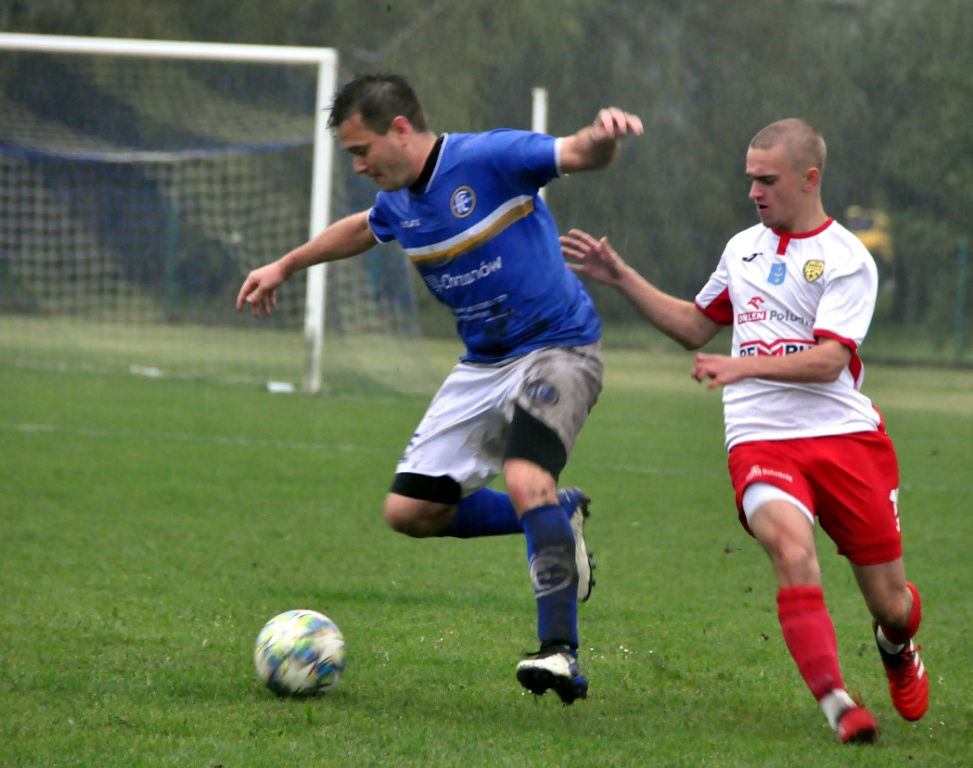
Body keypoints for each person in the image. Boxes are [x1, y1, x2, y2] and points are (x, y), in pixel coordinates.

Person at [237, 73, 644, 703]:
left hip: (558, 348)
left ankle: (559, 651)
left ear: (400, 129)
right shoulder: (398, 198)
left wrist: (604, 137)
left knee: (524, 477)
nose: (358, 165)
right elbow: (363, 227)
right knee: (410, 512)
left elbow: (576, 153)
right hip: (483, 364)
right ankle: (555, 516)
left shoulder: (488, 158)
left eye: (360, 150)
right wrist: (285, 265)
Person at [561, 118, 928, 741]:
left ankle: (895, 647)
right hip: (759, 438)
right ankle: (839, 704)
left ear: (809, 179)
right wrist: (621, 277)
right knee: (791, 550)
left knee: (892, 605)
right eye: (750, 180)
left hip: (844, 438)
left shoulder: (848, 260)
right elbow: (694, 326)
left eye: (767, 180)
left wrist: (743, 363)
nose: (755, 192)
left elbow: (829, 361)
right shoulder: (742, 250)